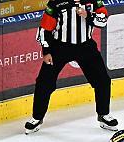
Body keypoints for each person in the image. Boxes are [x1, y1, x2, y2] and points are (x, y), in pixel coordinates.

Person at [25, 0, 117, 134]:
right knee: (44, 83)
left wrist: (87, 15)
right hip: (59, 47)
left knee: (102, 80)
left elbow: (102, 21)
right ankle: (37, 117)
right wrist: (46, 51)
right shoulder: (56, 2)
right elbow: (45, 28)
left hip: (85, 46)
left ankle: (103, 115)